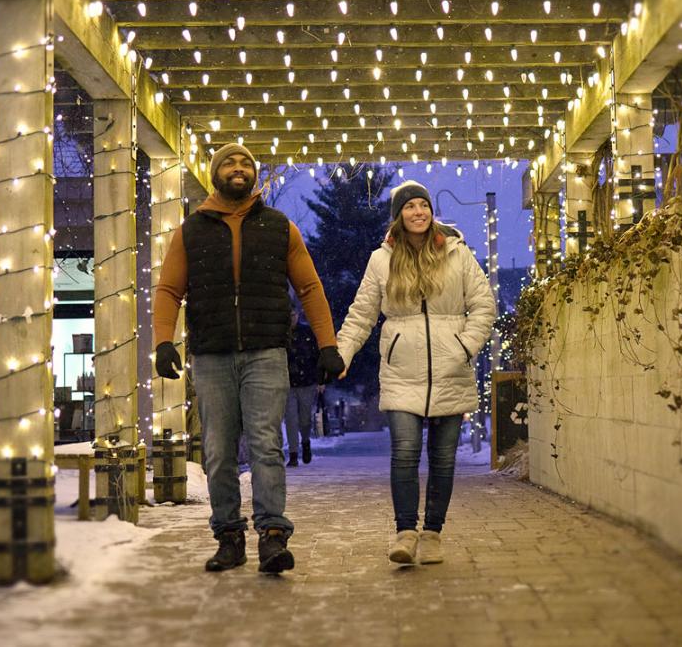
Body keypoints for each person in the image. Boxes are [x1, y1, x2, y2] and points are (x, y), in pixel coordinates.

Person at [152, 144, 346, 574]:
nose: (238, 169)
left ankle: (273, 536)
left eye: (245, 164)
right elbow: (168, 290)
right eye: (229, 163)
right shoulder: (191, 231)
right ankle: (229, 536)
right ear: (215, 173)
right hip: (212, 354)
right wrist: (164, 341)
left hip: (266, 352)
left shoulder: (280, 227)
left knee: (265, 443)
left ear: (254, 176)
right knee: (219, 451)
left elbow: (310, 289)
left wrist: (328, 345)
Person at [334, 180, 497, 566]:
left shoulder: (457, 254)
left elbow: (484, 305)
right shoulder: (381, 259)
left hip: (451, 368)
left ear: (430, 212)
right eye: (410, 207)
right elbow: (362, 314)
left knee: (443, 459)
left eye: (423, 205)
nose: (418, 212)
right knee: (404, 453)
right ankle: (405, 533)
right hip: (401, 371)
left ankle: (433, 534)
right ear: (399, 216)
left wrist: (463, 347)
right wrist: (342, 354)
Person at [284, 321, 322, 467]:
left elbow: (316, 355)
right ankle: (293, 453)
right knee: (291, 419)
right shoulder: (282, 333)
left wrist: (320, 379)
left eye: (293, 315)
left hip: (307, 381)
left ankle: (305, 441)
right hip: (288, 383)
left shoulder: (307, 332)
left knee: (305, 419)